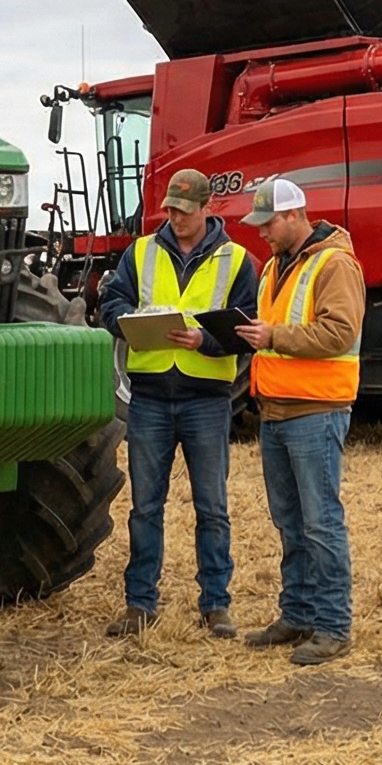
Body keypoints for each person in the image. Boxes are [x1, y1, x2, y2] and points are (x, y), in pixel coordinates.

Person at [96, 167, 260, 638]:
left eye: (186, 210)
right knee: (145, 507)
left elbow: (248, 330)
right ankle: (139, 605)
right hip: (149, 398)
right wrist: (131, 321)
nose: (176, 217)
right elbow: (110, 305)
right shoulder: (140, 252)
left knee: (212, 507)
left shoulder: (236, 261)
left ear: (208, 208)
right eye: (171, 209)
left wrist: (203, 341)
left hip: (207, 400)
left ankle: (216, 605)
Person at [231, 177, 363, 666]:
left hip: (315, 411)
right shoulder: (274, 266)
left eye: (268, 223)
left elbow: (339, 333)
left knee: (321, 523)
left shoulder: (335, 264)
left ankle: (332, 626)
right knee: (290, 522)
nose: (261, 232)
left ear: (293, 216)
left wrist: (273, 337)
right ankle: (298, 614)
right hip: (277, 410)